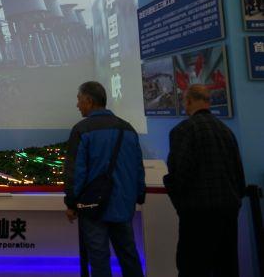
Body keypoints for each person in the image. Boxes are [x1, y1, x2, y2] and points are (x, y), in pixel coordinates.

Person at [64, 81, 145, 277]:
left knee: (99, 259)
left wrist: (71, 202)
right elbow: (137, 167)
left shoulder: (81, 130)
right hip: (123, 205)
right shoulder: (128, 129)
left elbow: (76, 171)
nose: (77, 105)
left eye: (79, 100)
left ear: (89, 101)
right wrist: (139, 195)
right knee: (129, 255)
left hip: (93, 208)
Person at [163, 84, 245, 277]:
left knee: (192, 268)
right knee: (226, 267)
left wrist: (180, 204)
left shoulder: (183, 131)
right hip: (228, 212)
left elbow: (179, 175)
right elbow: (239, 176)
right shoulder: (226, 131)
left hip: (197, 215)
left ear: (189, 101)